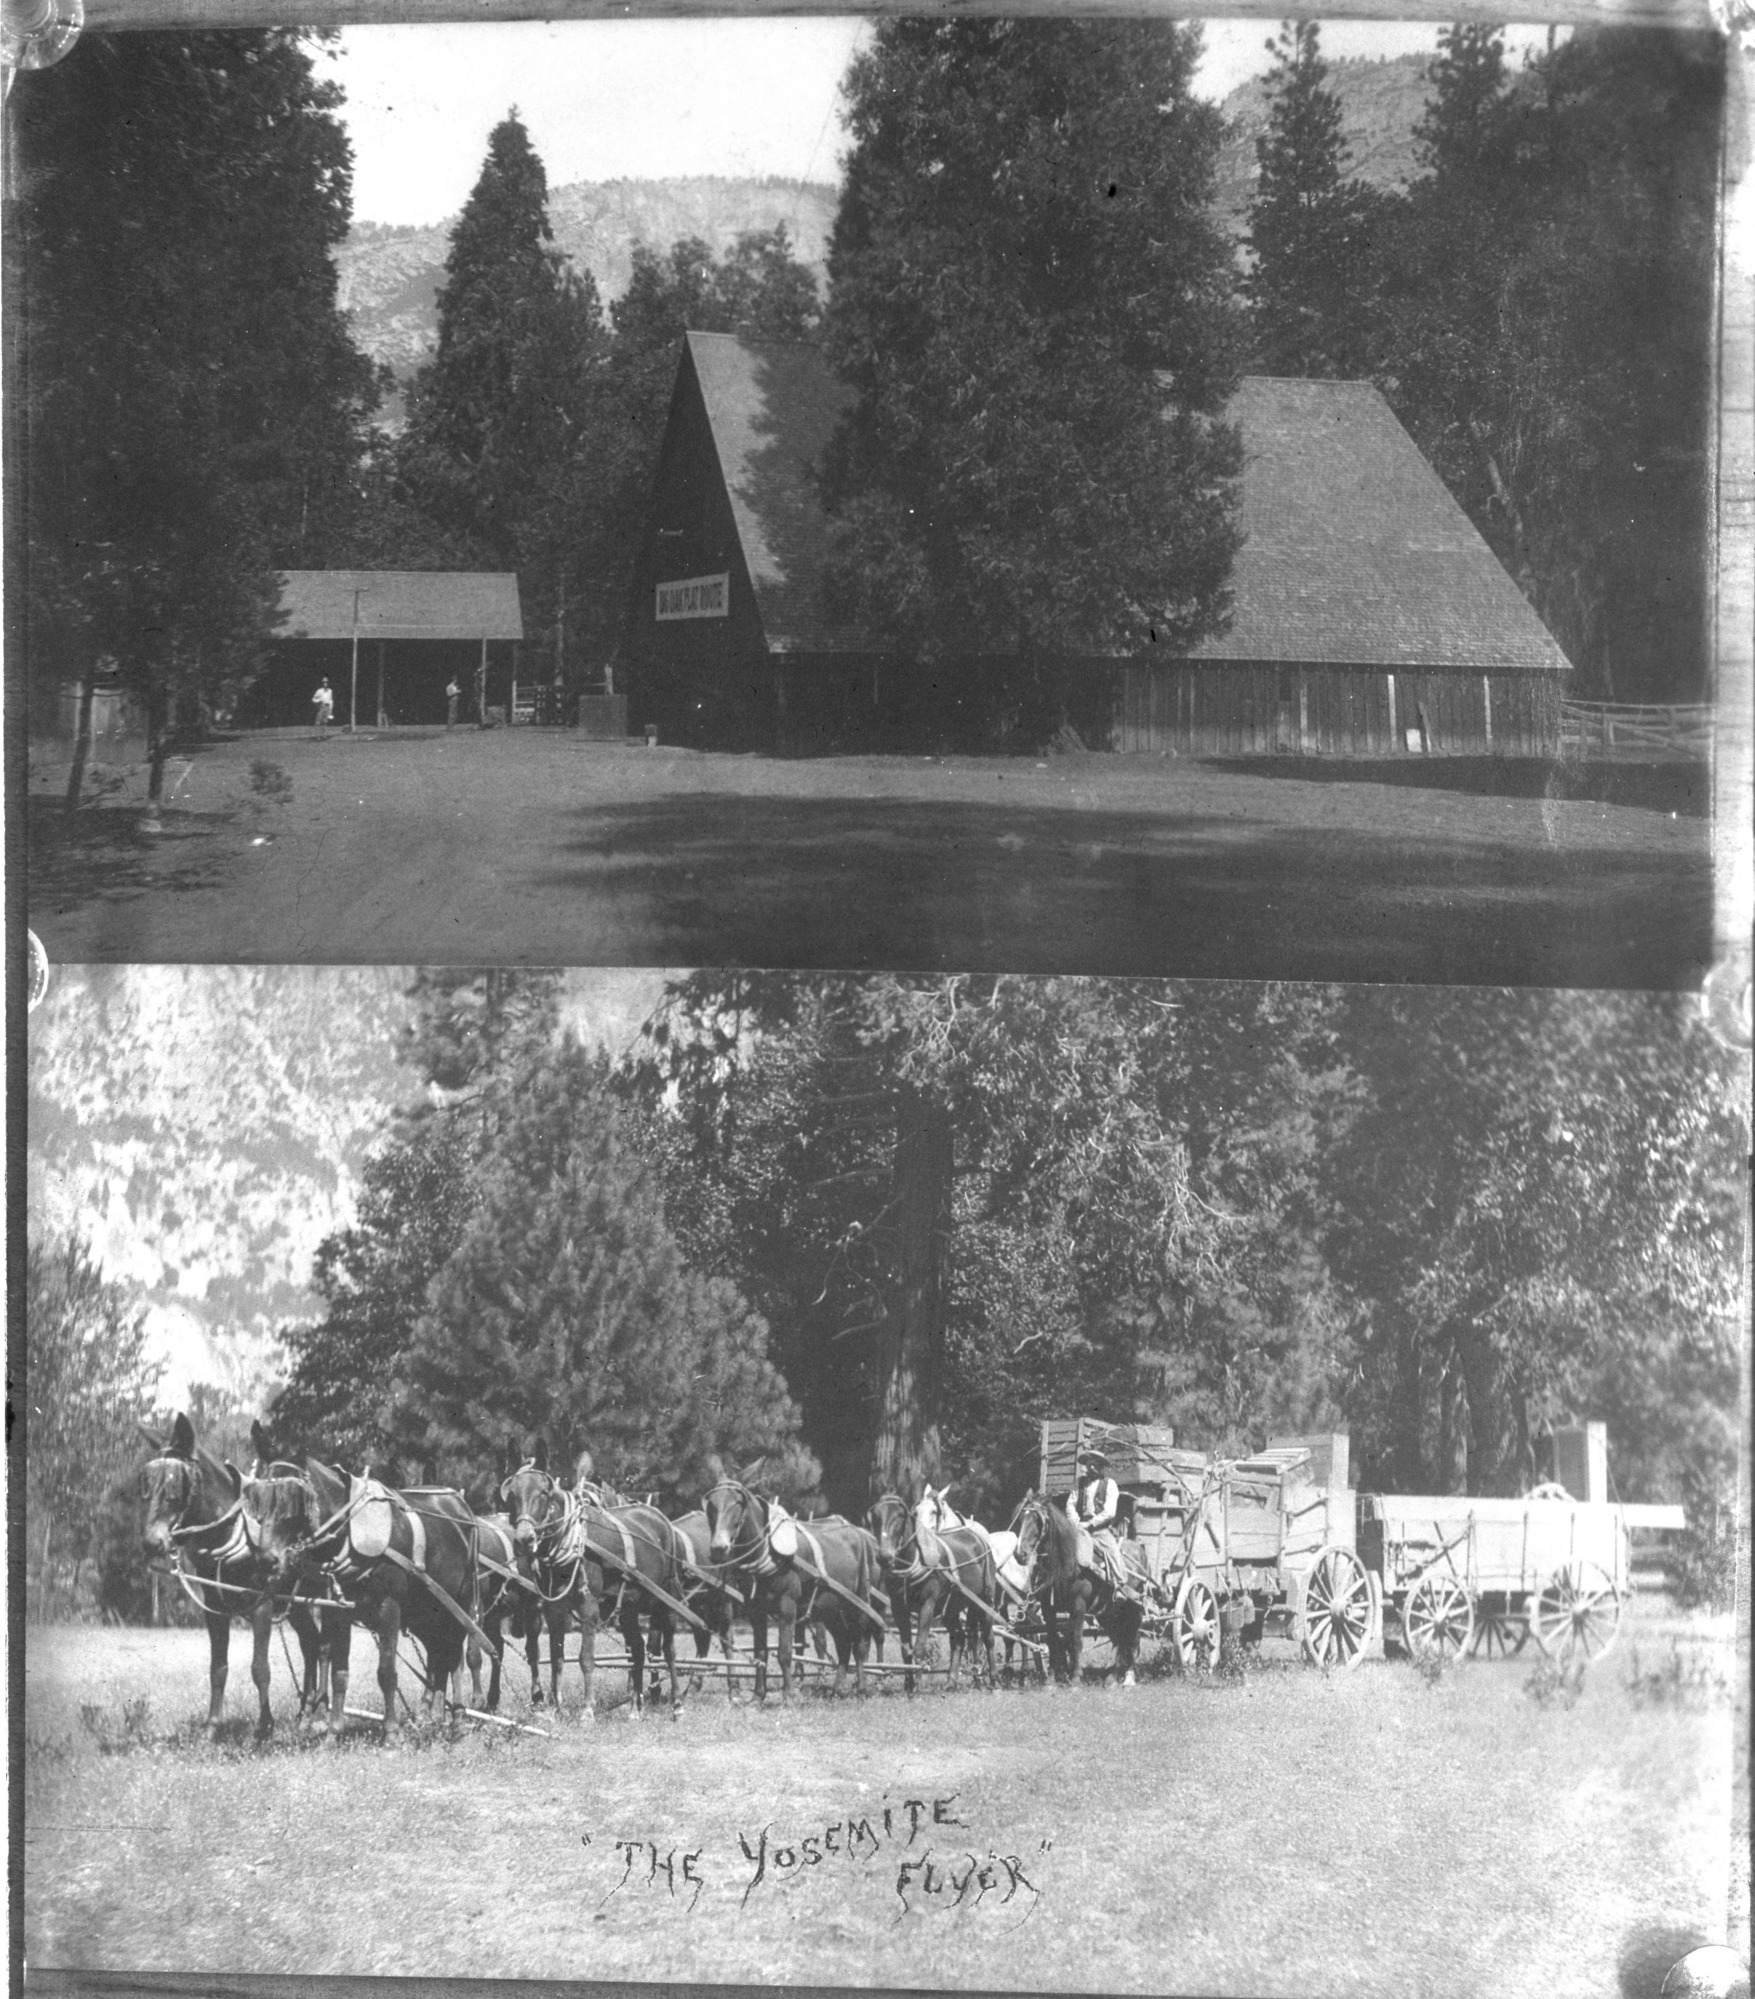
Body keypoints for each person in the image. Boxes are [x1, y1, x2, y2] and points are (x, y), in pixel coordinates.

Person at [1075, 1449, 1132, 1596]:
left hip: (1100, 1530)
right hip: (1080, 1528)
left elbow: (1109, 1512)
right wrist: (1075, 1522)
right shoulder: (1080, 1485)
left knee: (1113, 1551)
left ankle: (1120, 1585)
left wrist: (1090, 1524)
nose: (1091, 1468)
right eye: (1089, 1465)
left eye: (1094, 1465)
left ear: (1100, 1467)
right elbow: (1070, 1505)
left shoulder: (1110, 1484)